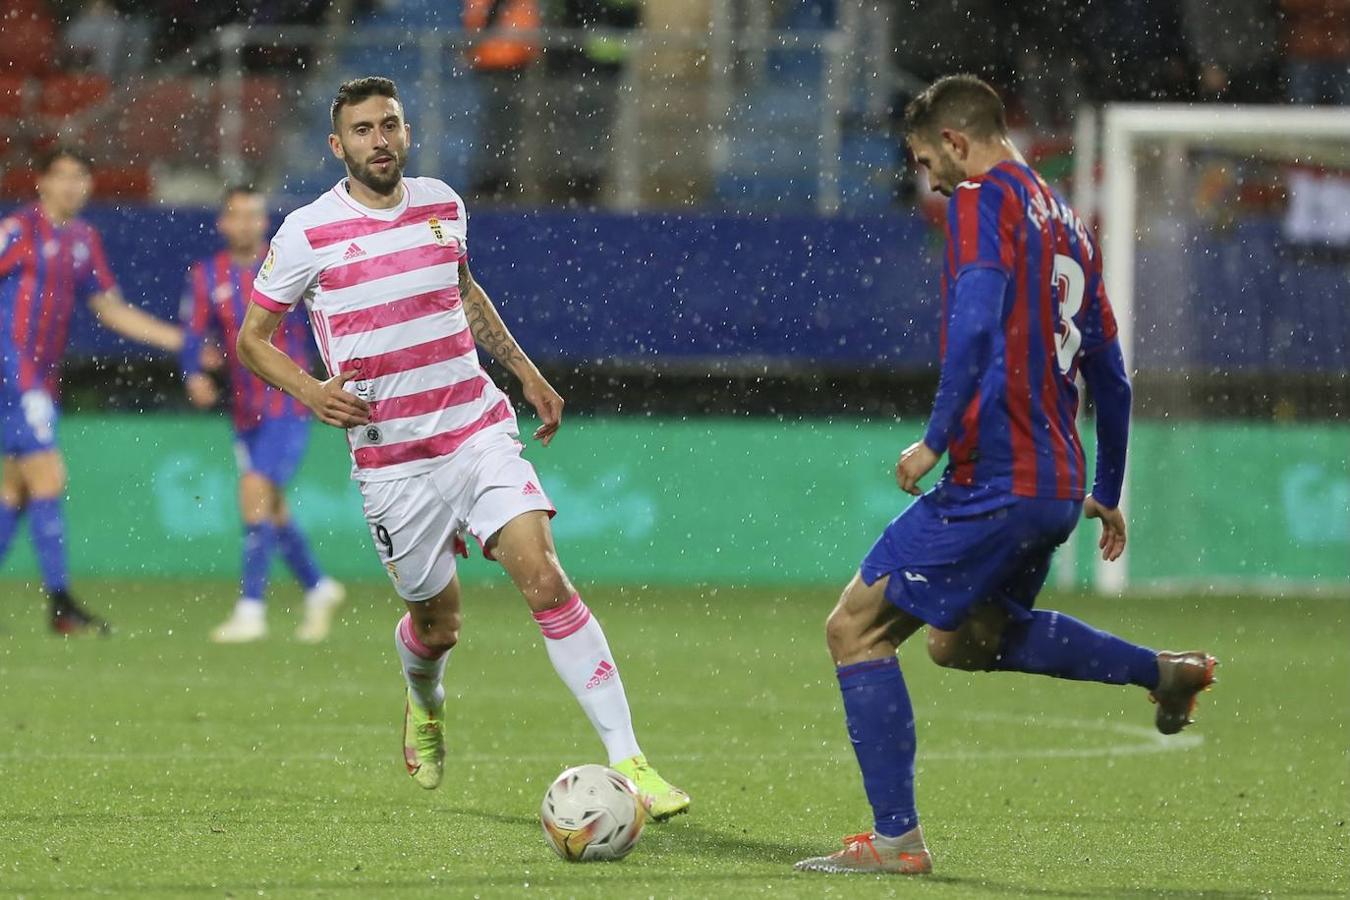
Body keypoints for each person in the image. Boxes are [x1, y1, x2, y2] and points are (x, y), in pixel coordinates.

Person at [794, 75, 1217, 876]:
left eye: (927, 160)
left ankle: (896, 843)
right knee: (962, 641)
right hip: (1056, 483)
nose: (931, 180)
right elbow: (1113, 376)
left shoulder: (983, 201)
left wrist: (936, 437)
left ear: (957, 141)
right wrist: (1109, 488)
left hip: (996, 474)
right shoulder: (1072, 225)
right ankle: (1164, 673)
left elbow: (976, 323)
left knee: (853, 629)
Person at [233, 76, 689, 817]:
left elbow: (465, 291)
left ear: (406, 132)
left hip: (476, 431)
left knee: (543, 577)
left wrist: (526, 371)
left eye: (389, 124)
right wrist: (312, 391)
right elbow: (252, 341)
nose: (378, 139)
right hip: (391, 461)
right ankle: (423, 697)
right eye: (362, 129)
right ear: (336, 144)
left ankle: (631, 761)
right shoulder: (306, 233)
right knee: (437, 624)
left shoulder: (444, 203)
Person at [0, 147, 184, 633]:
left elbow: (110, 308)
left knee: (15, 490)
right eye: (62, 177)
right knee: (48, 477)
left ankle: (61, 606)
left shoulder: (83, 239)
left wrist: (179, 340)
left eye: (81, 177)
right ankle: (61, 606)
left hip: (41, 381)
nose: (72, 186)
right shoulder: (17, 231)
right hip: (11, 375)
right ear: (40, 182)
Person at [179, 185, 345, 644]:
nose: (248, 223)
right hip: (246, 410)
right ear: (224, 223)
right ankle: (317, 585)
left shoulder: (289, 263)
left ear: (264, 221)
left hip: (289, 401)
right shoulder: (206, 274)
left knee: (253, 490)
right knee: (269, 503)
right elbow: (194, 333)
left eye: (255, 215)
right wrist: (194, 369)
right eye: (239, 215)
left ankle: (251, 609)